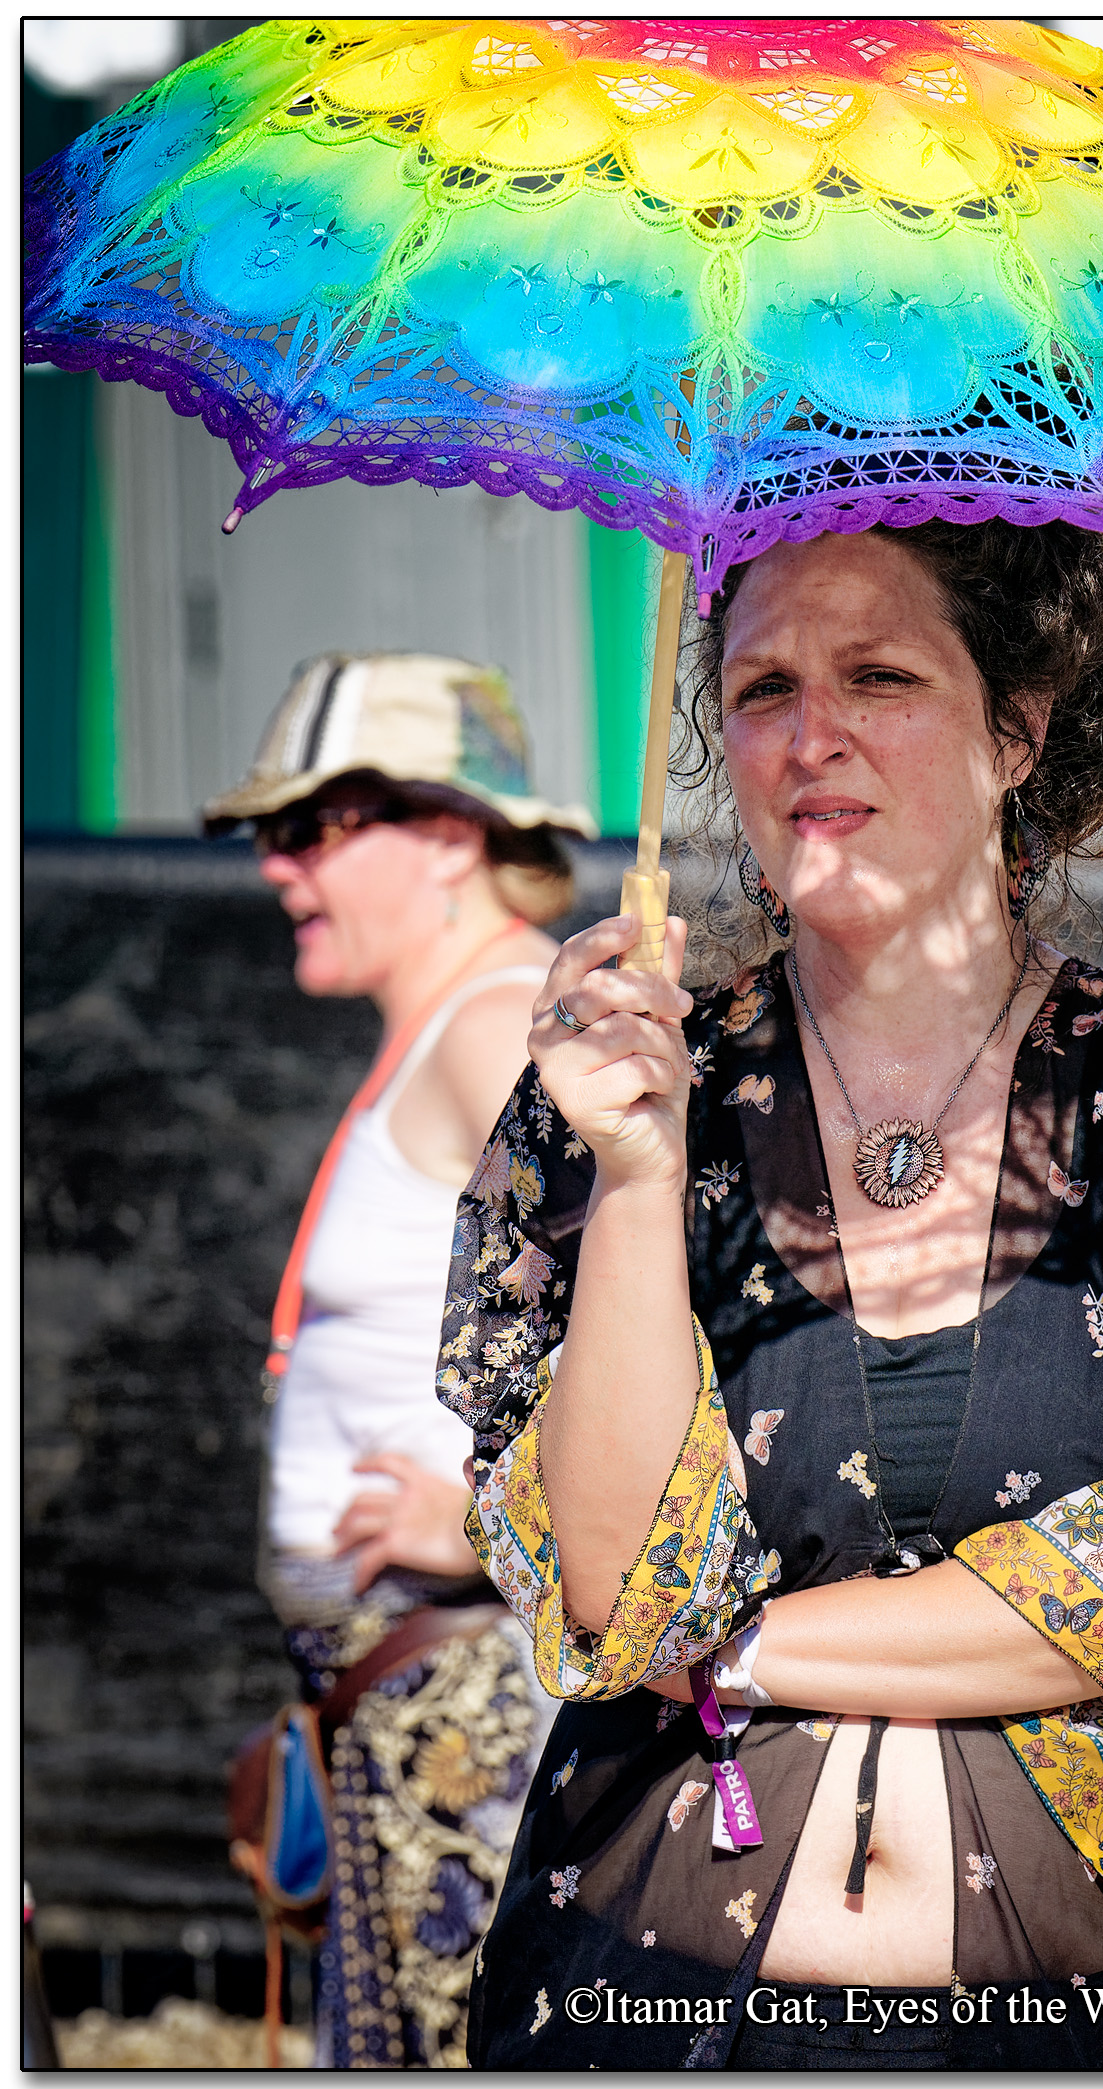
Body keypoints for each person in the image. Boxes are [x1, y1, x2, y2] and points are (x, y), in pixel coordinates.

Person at [435, 521, 1103, 2070]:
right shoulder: (616, 1100)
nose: (812, 733)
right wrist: (641, 1172)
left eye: (880, 675)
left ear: (1018, 729)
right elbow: (615, 1595)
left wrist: (736, 1648)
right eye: (763, 687)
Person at [204, 653, 596, 2068]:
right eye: (271, 832)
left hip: (465, 1703)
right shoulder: (457, 1021)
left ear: (445, 834)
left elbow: (659, 1318)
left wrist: (492, 1523)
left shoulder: (497, 1023)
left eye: (312, 826)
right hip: (402, 1700)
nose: (276, 865)